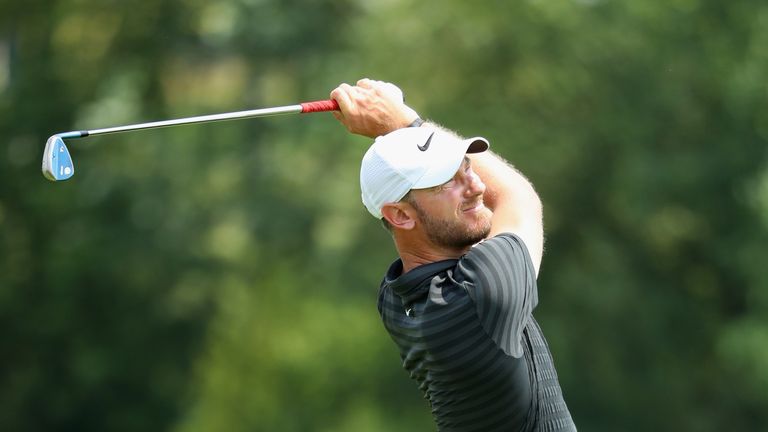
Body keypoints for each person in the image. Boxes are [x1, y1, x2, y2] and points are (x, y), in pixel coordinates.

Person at [330, 79, 576, 432]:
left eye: (466, 168)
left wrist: (399, 134)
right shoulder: (477, 297)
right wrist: (404, 121)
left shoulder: (398, 297)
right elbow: (516, 197)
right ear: (399, 215)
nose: (476, 186)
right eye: (447, 183)